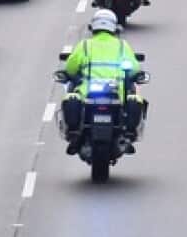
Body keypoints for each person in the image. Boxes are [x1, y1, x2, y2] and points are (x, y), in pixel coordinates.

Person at [60, 9, 146, 155]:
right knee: (135, 99)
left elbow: (70, 68)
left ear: (93, 27)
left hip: (87, 92)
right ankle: (130, 133)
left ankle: (74, 134)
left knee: (70, 97)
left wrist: (68, 74)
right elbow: (135, 68)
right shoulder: (122, 46)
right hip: (117, 91)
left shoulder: (85, 45)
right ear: (114, 27)